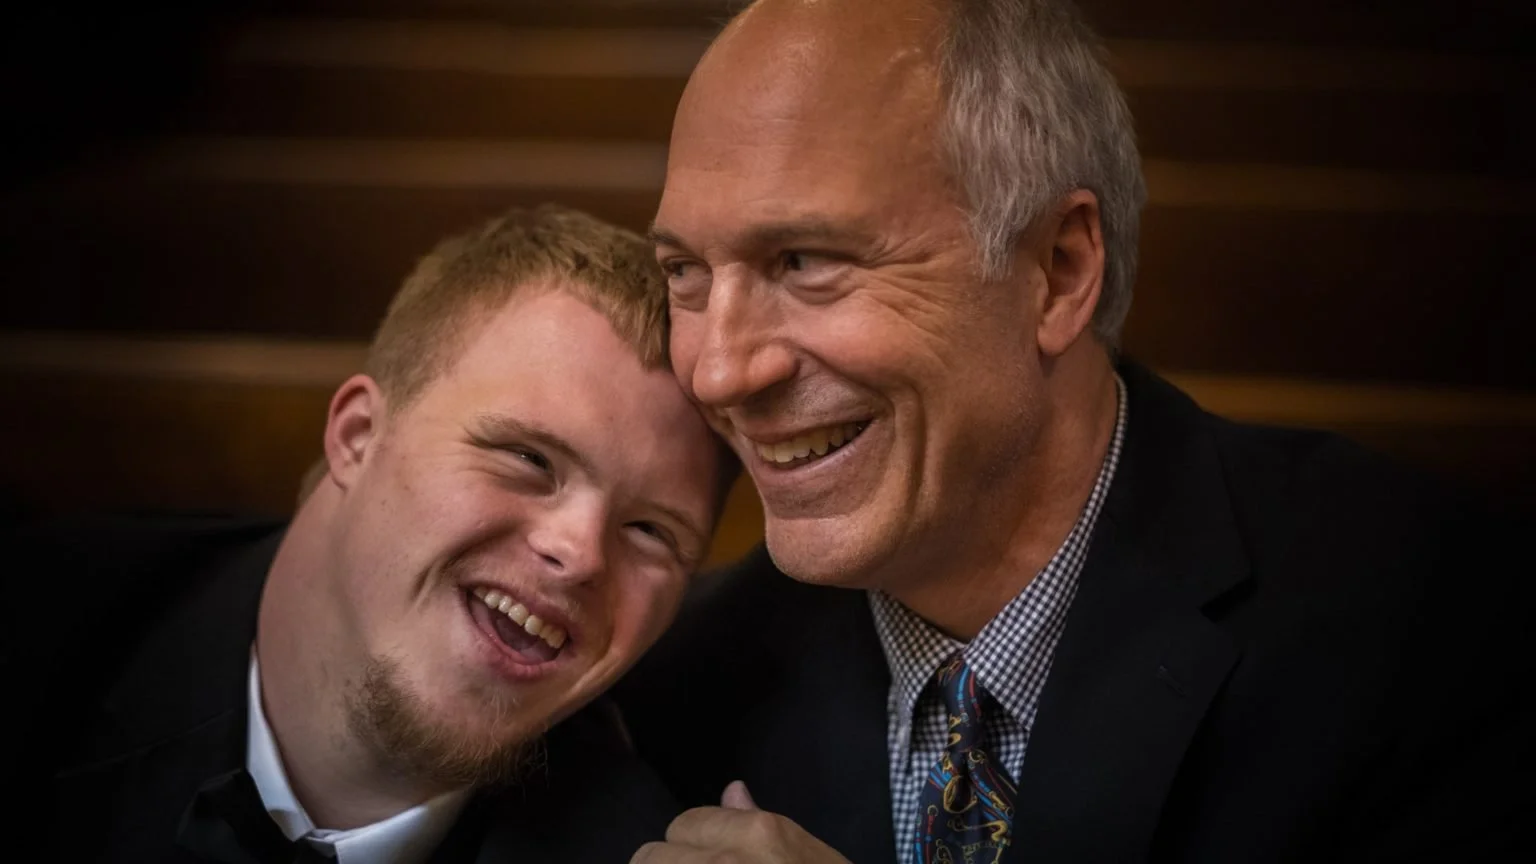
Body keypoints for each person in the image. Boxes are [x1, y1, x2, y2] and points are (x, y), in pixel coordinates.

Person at [618, 1, 1531, 862]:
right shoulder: (680, 685)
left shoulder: (1432, 621)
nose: (720, 370)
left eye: (804, 261)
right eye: (685, 271)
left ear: (1057, 270)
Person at [5, 204, 732, 862]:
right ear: (356, 436)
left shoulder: (642, 844)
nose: (578, 554)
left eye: (650, 532)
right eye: (528, 458)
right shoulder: (38, 631)